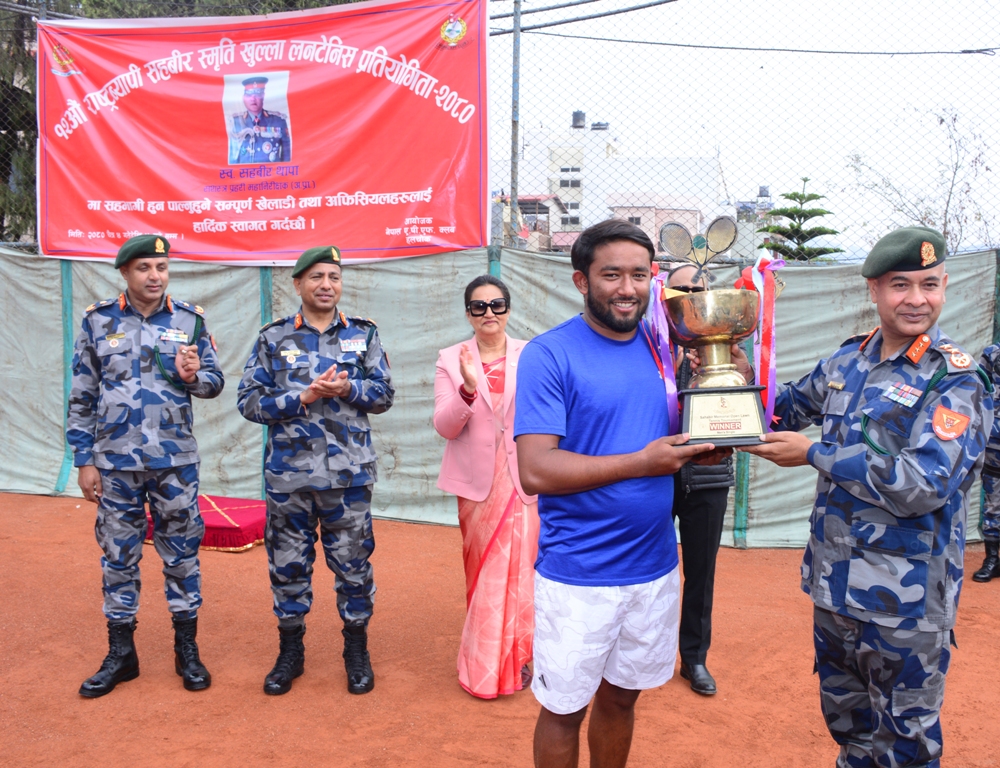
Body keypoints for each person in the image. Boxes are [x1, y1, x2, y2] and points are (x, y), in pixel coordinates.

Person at [742, 226, 993, 767]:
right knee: (851, 733)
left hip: (905, 606)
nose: (917, 299)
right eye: (901, 285)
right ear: (874, 290)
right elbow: (783, 410)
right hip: (834, 590)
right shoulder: (847, 362)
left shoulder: (956, 381)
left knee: (904, 746)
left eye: (929, 284)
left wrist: (816, 454)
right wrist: (737, 374)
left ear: (945, 286)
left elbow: (924, 485)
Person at [514, 219, 723, 768]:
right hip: (579, 575)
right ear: (581, 281)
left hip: (654, 569)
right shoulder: (549, 354)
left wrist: (709, 440)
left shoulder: (664, 346)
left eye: (639, 275)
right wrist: (642, 463)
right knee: (564, 711)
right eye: (612, 275)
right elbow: (535, 470)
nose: (628, 288)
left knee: (621, 699)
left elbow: (671, 430)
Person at [68, 234, 224, 698]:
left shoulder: (190, 320)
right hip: (115, 463)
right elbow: (82, 395)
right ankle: (122, 654)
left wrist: (194, 376)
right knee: (119, 556)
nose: (155, 276)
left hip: (175, 461)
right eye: (144, 268)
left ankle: (186, 650)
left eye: (161, 267)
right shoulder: (98, 321)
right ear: (124, 272)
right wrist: (84, 460)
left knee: (182, 553)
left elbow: (214, 382)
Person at [237, 245, 394, 696]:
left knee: (354, 566)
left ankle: (356, 651)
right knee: (288, 566)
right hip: (290, 477)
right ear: (298, 283)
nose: (327, 285)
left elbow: (384, 394)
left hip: (349, 477)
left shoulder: (363, 334)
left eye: (334, 277)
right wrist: (301, 398)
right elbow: (249, 402)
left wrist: (349, 389)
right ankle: (291, 652)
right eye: (317, 277)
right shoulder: (273, 337)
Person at [433, 275, 539, 699]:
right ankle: (483, 666)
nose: (489, 313)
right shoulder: (450, 358)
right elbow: (445, 426)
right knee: (484, 575)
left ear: (508, 310)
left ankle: (519, 657)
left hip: (521, 479)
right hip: (477, 485)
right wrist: (467, 389)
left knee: (521, 571)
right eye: (479, 307)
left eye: (497, 304)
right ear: (468, 314)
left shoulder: (532, 355)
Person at [666, 263, 754, 696]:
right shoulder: (648, 345)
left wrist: (743, 376)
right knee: (647, 569)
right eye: (680, 290)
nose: (690, 296)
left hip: (709, 477)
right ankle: (641, 652)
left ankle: (694, 659)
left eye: (697, 289)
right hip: (655, 477)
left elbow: (746, 413)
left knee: (701, 575)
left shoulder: (726, 346)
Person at [973, 342, 1000, 582]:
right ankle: (992, 559)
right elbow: (979, 393)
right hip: (995, 445)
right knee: (993, 503)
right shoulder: (993, 354)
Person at [230, 76, 292, 164]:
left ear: (263, 96)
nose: (253, 98)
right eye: (249, 94)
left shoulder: (278, 121)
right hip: (244, 172)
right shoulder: (236, 122)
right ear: (244, 98)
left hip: (271, 172)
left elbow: (287, 156)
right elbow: (232, 158)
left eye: (257, 93)